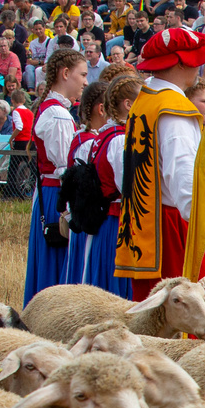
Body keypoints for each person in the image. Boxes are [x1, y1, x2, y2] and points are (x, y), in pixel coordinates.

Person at [115, 28, 205, 302]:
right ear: (183, 62)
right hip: (174, 226)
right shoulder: (175, 107)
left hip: (144, 225)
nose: (199, 66)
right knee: (186, 321)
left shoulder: (144, 100)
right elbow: (183, 173)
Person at [66, 75, 137, 298]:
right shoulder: (119, 139)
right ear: (128, 105)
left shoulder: (106, 134)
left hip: (108, 219)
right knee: (113, 292)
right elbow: (128, 187)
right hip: (116, 221)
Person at [22, 48, 84, 303]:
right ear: (65, 73)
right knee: (56, 259)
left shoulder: (54, 109)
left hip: (50, 192)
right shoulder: (57, 113)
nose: (84, 81)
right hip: (55, 194)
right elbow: (63, 166)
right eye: (81, 74)